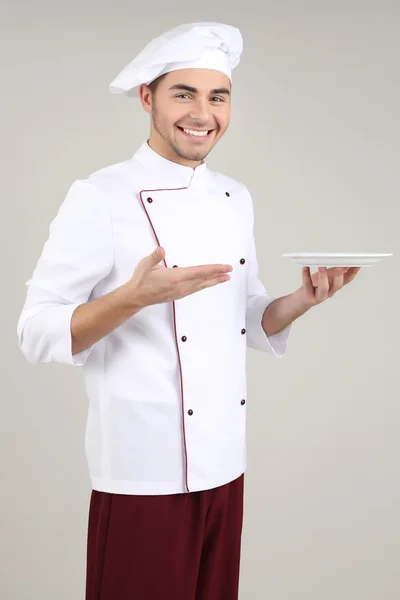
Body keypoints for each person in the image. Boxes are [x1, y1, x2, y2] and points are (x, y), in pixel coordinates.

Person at [16, 21, 360, 600]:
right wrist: (131, 298)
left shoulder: (234, 197)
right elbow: (35, 331)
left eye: (218, 97)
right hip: (142, 470)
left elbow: (246, 316)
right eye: (184, 93)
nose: (203, 113)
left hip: (224, 464)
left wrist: (302, 300)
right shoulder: (100, 196)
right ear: (148, 98)